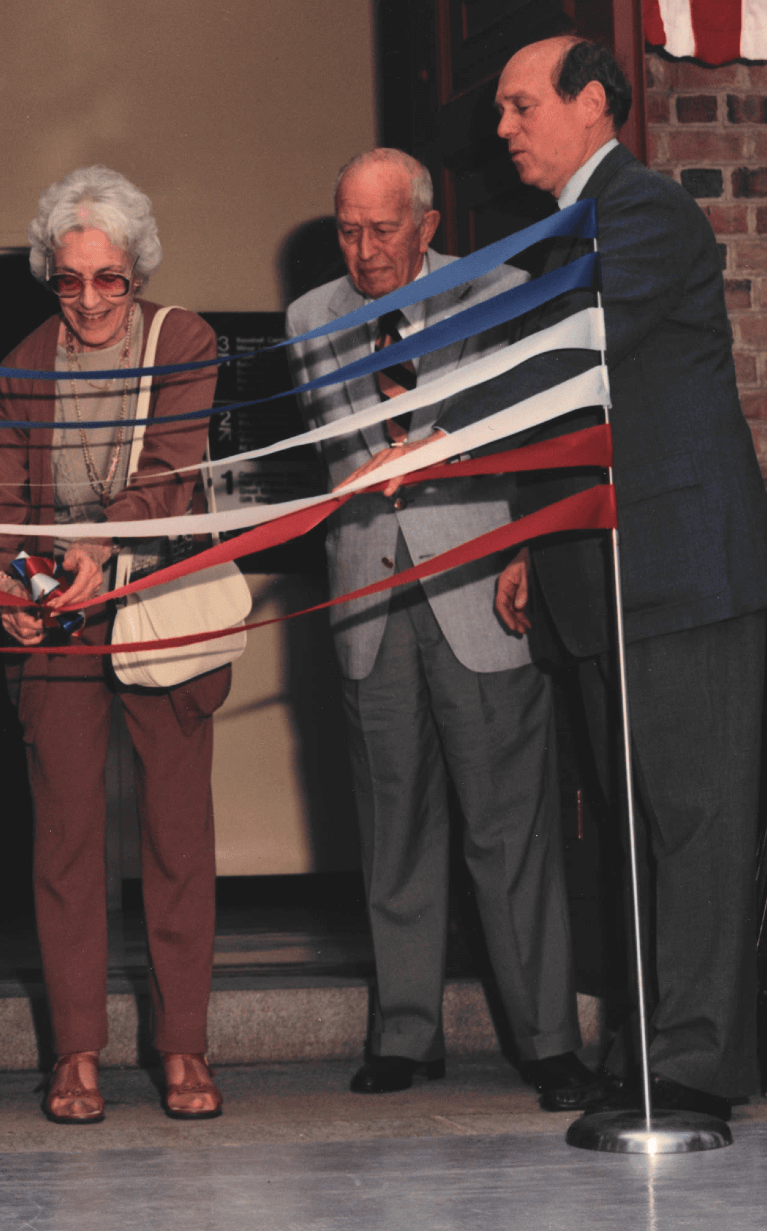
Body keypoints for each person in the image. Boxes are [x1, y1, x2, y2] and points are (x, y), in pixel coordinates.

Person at [368, 38, 767, 1120]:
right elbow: (576, 407)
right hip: (605, 578)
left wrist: (427, 440)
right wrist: (522, 533)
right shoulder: (565, 233)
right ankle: (653, 1052)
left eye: (519, 107)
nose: (502, 129)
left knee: (690, 829)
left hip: (681, 573)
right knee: (640, 831)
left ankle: (693, 1070)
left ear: (591, 103)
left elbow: (564, 365)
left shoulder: (643, 210)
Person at [285, 148, 601, 1112]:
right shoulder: (308, 321)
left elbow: (544, 444)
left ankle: (547, 1043)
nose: (364, 249)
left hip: (483, 593)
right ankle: (407, 1035)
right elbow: (326, 457)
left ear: (427, 225)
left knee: (511, 830)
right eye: (347, 228)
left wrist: (526, 556)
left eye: (383, 230)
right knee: (393, 829)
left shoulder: (504, 295)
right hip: (369, 602)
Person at [0, 166, 229, 1124]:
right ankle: (75, 1051)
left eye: (108, 279)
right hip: (62, 619)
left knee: (177, 837)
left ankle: (184, 1048)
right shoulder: (17, 368)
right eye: (69, 280)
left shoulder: (183, 340)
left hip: (161, 602)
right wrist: (10, 592)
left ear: (137, 272)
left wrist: (98, 543)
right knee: (66, 840)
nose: (88, 301)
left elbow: (171, 473)